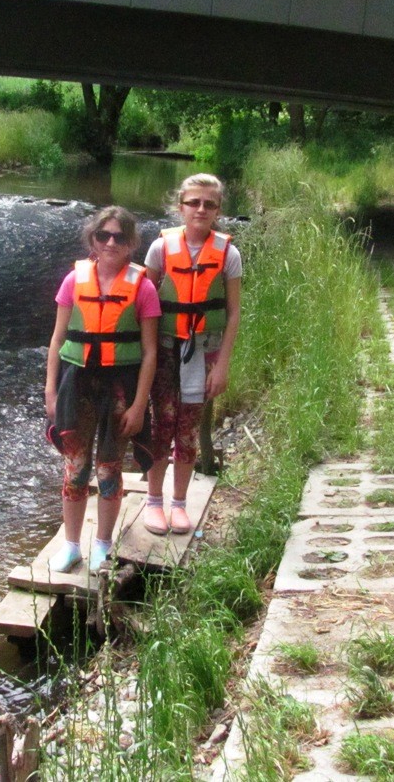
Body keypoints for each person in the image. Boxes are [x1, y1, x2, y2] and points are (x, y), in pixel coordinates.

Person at [45, 206, 160, 574]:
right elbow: (57, 340)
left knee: (109, 470)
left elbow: (149, 352)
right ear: (92, 239)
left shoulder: (142, 287)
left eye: (120, 237)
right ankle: (72, 545)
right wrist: (50, 390)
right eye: (103, 235)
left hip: (119, 389)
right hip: (76, 385)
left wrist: (140, 404)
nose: (111, 242)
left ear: (131, 243)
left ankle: (104, 545)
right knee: (75, 469)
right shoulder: (72, 282)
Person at [143, 174, 241, 535]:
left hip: (204, 351)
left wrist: (223, 364)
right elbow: (144, 304)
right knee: (160, 425)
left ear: (218, 210)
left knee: (187, 430)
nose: (201, 209)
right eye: (194, 202)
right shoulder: (160, 249)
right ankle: (154, 501)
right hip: (165, 351)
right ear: (180, 206)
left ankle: (179, 503)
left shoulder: (229, 254)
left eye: (209, 204)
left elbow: (233, 313)